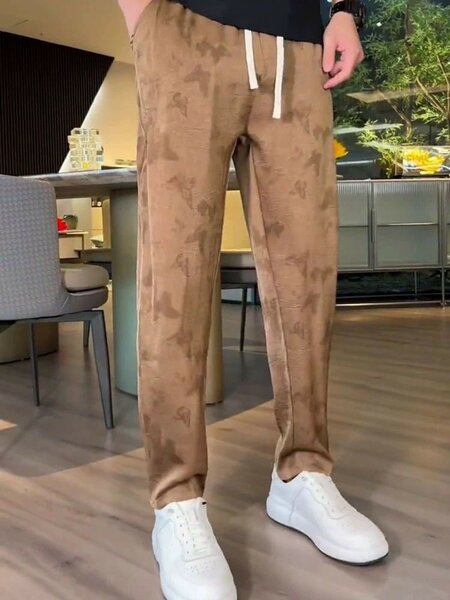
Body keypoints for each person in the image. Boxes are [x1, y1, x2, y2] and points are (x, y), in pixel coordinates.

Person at [118, 0, 389, 597]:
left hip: (298, 44)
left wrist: (345, 10)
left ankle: (302, 472)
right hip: (184, 27)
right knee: (175, 278)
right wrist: (144, 17)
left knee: (306, 279)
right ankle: (176, 499)